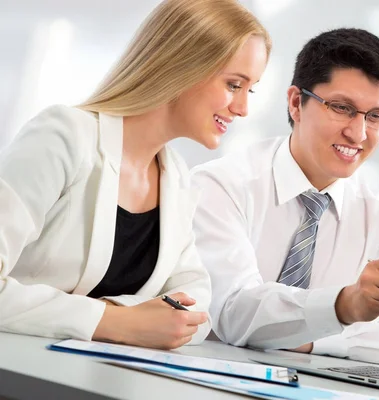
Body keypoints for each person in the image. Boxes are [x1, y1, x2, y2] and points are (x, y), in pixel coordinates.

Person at [0, 0, 270, 350]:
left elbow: (197, 308)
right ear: (182, 65)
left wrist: (126, 319)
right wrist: (114, 321)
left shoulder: (176, 179)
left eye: (250, 90)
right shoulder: (64, 136)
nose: (243, 108)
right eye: (234, 84)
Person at [192, 28, 379, 366]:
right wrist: (345, 306)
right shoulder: (220, 186)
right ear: (296, 103)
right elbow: (234, 311)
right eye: (342, 108)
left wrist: (316, 342)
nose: (358, 133)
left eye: (376, 116)